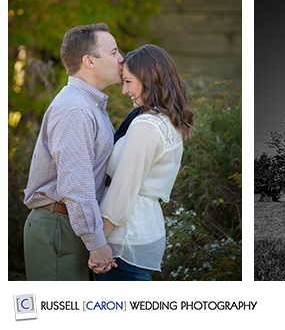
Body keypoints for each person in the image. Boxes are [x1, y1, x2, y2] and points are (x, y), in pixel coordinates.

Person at [23, 22, 123, 280]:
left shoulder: (89, 105)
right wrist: (97, 243)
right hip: (59, 227)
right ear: (89, 61)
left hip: (70, 225)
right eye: (113, 52)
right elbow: (76, 186)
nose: (121, 59)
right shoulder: (75, 109)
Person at [91, 44, 194, 280]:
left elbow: (123, 189)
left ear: (149, 80)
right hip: (143, 232)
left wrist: (97, 245)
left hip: (123, 239)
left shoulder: (146, 125)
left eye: (128, 82)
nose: (124, 91)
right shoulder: (166, 121)